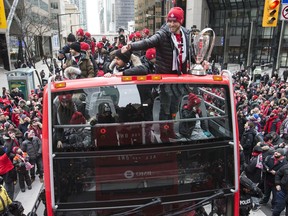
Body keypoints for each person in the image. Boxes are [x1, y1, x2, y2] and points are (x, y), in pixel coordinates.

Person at [121, 7, 191, 142]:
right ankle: (164, 133)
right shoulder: (163, 34)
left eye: (174, 21)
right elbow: (148, 42)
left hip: (179, 77)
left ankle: (170, 130)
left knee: (174, 107)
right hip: (165, 78)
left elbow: (188, 54)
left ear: (181, 21)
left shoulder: (186, 34)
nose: (171, 24)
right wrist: (131, 46)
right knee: (165, 108)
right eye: (169, 21)